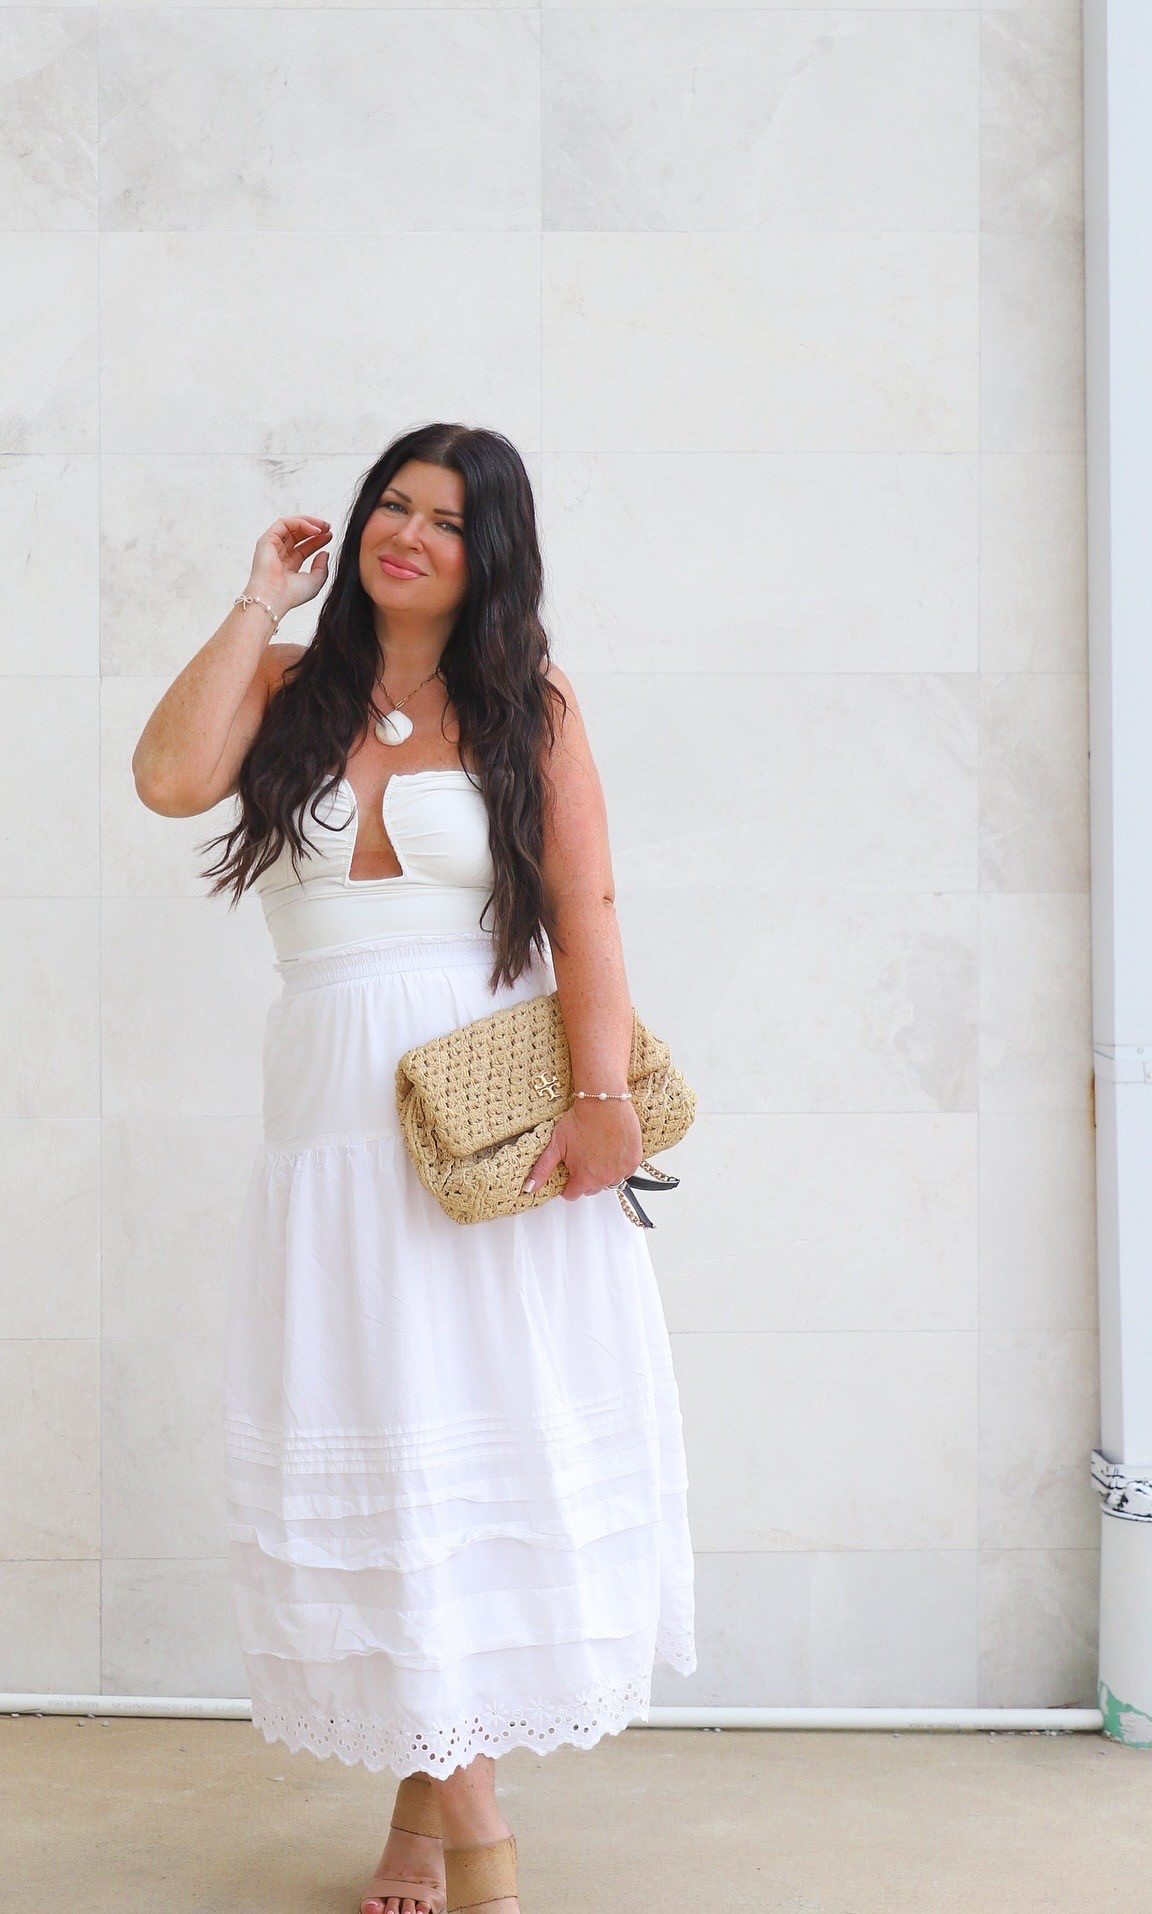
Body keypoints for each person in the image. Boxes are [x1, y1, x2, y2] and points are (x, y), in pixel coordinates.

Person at [132, 422, 695, 1914]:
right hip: (326, 1127)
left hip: (482, 1124)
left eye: (446, 519)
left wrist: (599, 1098)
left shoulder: (530, 701)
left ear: (487, 549)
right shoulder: (291, 688)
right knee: (388, 1458)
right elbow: (167, 777)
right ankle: (430, 1827)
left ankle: (470, 1856)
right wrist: (261, 596)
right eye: (393, 503)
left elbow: (588, 907)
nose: (409, 534)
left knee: (454, 1460)